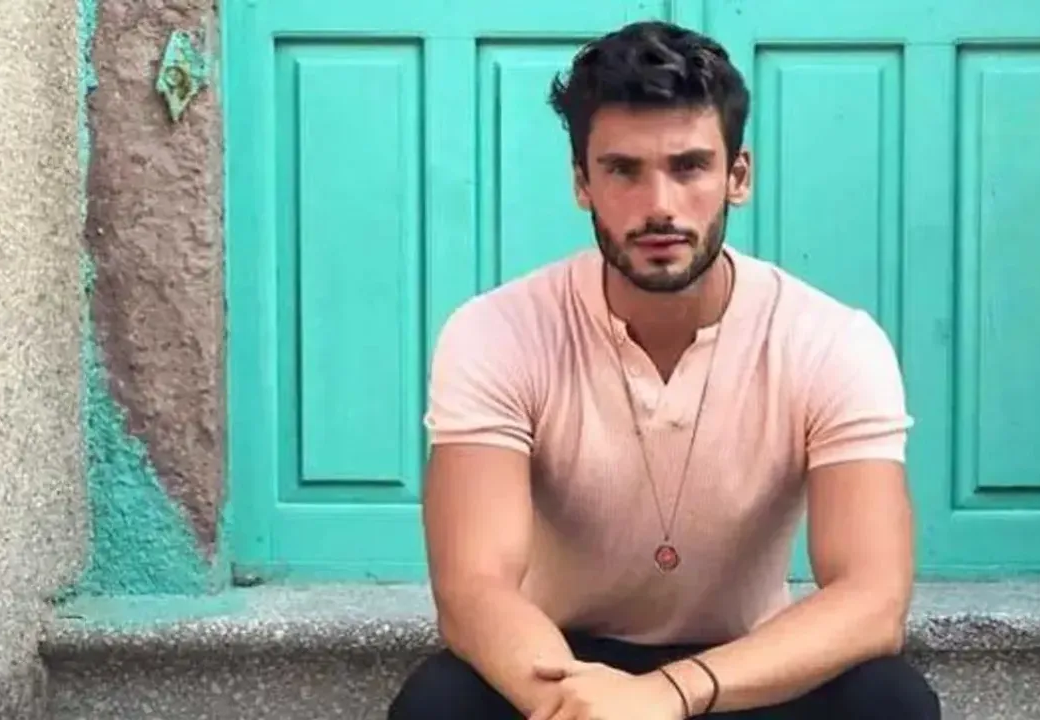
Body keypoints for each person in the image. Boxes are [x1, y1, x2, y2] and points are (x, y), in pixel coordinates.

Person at [387, 19, 941, 720]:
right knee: (438, 704)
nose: (659, 207)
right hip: (562, 665)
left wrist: (667, 695)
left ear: (738, 176)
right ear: (582, 182)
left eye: (689, 167)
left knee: (890, 699)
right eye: (623, 170)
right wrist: (589, 707)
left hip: (744, 668)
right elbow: (474, 589)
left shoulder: (830, 342)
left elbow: (871, 598)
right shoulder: (497, 332)